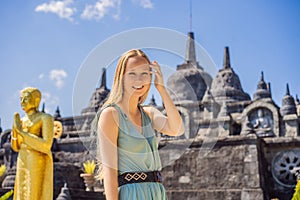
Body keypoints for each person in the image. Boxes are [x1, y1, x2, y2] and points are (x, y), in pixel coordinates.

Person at [94, 49, 185, 200]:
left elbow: (177, 129)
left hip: (156, 192)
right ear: (121, 78)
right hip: (131, 193)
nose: (139, 80)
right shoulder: (111, 115)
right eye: (132, 74)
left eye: (144, 74)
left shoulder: (149, 113)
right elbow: (110, 172)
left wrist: (162, 89)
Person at [11, 87, 53, 200]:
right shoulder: (22, 120)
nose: (22, 102)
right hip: (22, 157)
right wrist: (14, 132)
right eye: (21, 99)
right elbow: (16, 147)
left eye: (26, 99)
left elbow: (46, 145)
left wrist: (21, 132)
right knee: (21, 190)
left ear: (36, 100)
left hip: (36, 158)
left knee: (32, 191)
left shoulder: (45, 118)